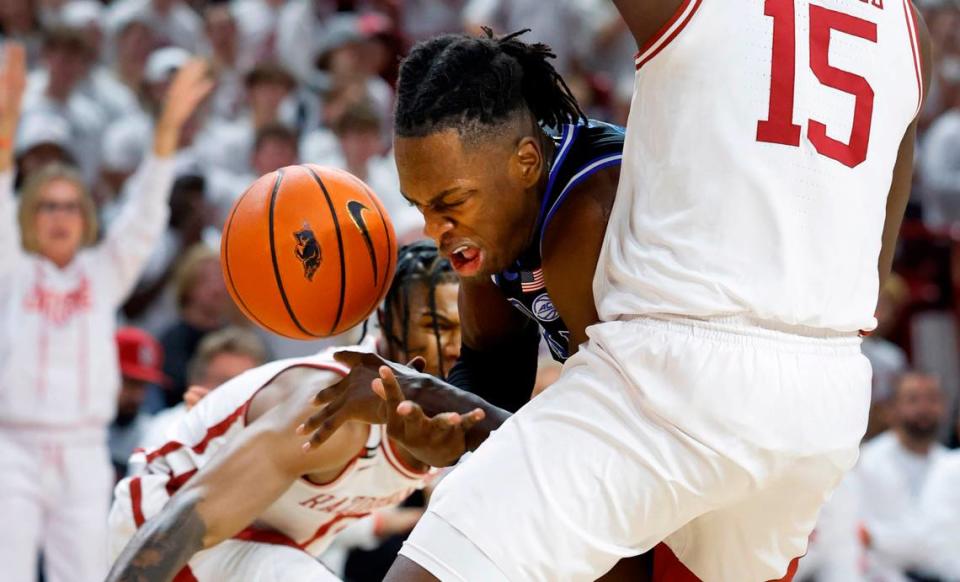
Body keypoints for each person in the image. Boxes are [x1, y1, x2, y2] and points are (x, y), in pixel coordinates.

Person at [305, 0, 934, 577]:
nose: (436, 230)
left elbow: (601, 484)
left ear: (525, 160)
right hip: (824, 391)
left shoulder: (585, 219)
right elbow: (494, 375)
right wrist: (437, 410)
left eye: (448, 204)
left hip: (686, 359)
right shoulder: (911, 29)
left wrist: (445, 414)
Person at [104, 242, 496, 582]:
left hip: (255, 544)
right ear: (388, 325)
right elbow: (191, 517)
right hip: (168, 527)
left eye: (464, 329)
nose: (452, 346)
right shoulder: (335, 407)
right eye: (434, 324)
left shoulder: (447, 410)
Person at [0, 42, 212, 582]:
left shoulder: (103, 271)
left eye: (71, 205)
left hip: (82, 448)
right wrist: (6, 126)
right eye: (47, 205)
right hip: (12, 446)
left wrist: (164, 137)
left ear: (86, 215)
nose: (60, 216)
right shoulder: (12, 270)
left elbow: (144, 213)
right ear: (29, 214)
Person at [856, 372, 948, 580]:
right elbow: (862, 536)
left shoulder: (950, 466)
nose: (924, 409)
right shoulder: (866, 463)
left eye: (932, 399)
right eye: (913, 400)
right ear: (891, 409)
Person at [140, 325, 268, 449]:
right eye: (224, 383)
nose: (236, 394)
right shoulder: (165, 430)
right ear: (197, 382)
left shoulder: (266, 435)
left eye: (246, 386)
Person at [109, 327, 167, 480]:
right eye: (128, 382)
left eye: (142, 385)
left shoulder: (152, 433)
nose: (136, 395)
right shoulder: (76, 425)